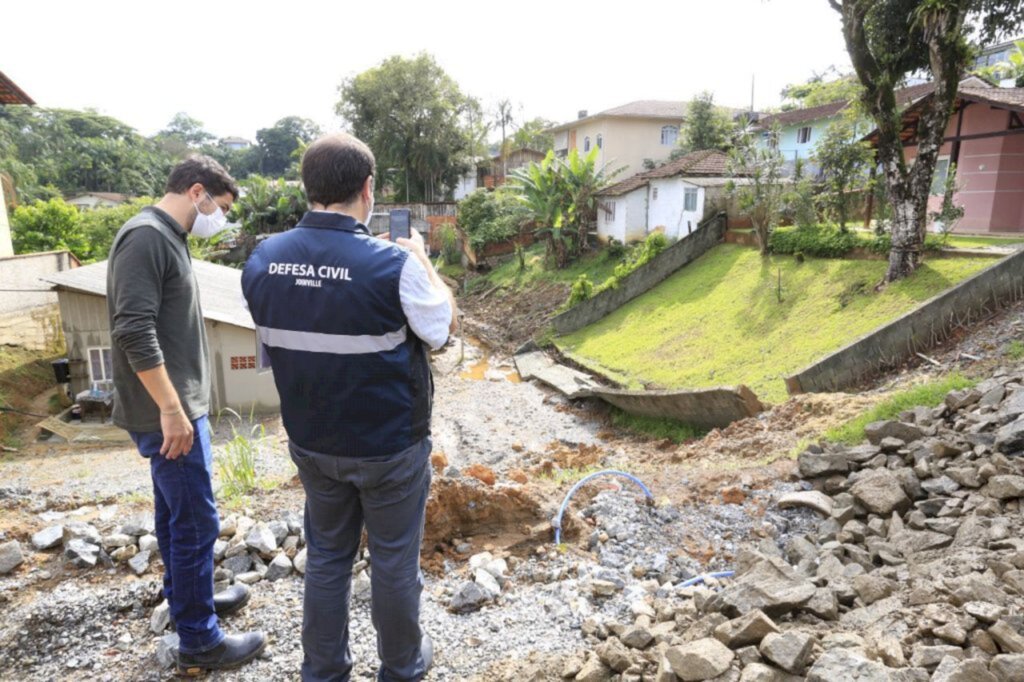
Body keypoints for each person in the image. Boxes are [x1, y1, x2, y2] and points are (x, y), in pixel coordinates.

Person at [242, 133, 456, 682]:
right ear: (368, 189)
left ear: (307, 188)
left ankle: (324, 670)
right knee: (392, 561)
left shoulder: (263, 260)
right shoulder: (393, 264)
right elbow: (442, 330)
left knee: (329, 558)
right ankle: (402, 667)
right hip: (390, 447)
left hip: (312, 442)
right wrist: (424, 263)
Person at [107, 156, 266, 675]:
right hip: (168, 414)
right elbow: (134, 329)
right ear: (196, 191)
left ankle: (187, 604)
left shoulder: (167, 236)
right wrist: (171, 409)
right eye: (218, 207)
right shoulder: (147, 237)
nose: (217, 217)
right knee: (198, 521)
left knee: (177, 519)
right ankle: (200, 641)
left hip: (175, 408)